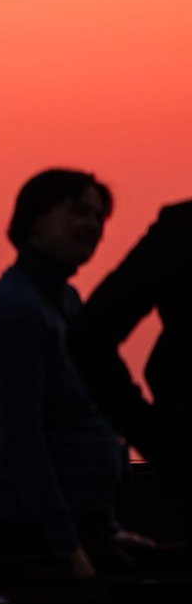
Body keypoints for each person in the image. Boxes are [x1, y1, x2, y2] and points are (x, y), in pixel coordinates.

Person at [0, 168, 124, 576]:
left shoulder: (66, 303)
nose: (91, 226)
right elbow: (24, 438)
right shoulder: (17, 310)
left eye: (98, 217)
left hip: (83, 529)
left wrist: (106, 528)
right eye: (78, 212)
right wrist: (66, 546)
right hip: (36, 539)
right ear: (35, 219)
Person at [69, 199, 192, 529]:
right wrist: (163, 446)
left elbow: (90, 335)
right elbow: (90, 336)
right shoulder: (182, 231)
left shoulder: (181, 229)